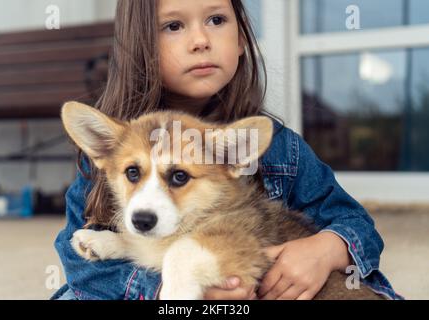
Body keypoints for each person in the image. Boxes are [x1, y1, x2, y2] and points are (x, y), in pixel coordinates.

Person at [52, 0, 402, 300]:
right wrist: (157, 287)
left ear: (240, 39)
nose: (201, 40)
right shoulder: (115, 147)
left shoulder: (280, 148)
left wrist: (326, 250)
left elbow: (357, 226)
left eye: (216, 20)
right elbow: (78, 264)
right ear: (141, 45)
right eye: (174, 25)